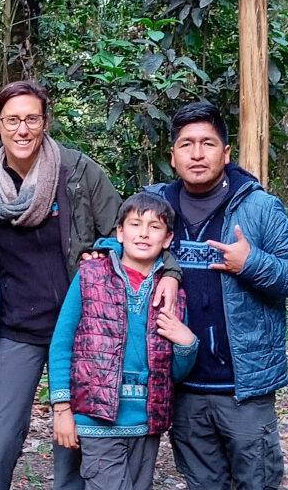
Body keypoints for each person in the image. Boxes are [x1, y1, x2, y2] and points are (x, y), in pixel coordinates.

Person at [0, 80, 181, 490]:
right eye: (12, 120)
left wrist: (169, 269)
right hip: (17, 327)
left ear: (45, 122)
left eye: (32, 118)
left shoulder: (78, 173)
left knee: (77, 438)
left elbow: (129, 229)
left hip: (86, 327)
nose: (22, 129)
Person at [146, 103, 288, 490]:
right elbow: (119, 252)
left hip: (243, 387)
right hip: (181, 384)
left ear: (226, 153)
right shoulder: (154, 206)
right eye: (186, 144)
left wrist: (251, 262)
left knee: (257, 481)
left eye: (208, 143)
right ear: (172, 157)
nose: (197, 153)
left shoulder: (258, 207)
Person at [48, 192, 198, 490]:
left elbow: (175, 374)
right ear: (119, 231)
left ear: (168, 239)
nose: (143, 233)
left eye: (154, 227)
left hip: (146, 422)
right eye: (135, 224)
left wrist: (186, 344)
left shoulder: (172, 291)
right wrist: (62, 410)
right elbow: (62, 344)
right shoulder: (91, 274)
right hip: (96, 419)